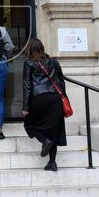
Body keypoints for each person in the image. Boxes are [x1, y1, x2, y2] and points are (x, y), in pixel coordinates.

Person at [20, 38, 67, 171]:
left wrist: (25, 107)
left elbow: (27, 85)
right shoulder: (54, 61)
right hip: (55, 98)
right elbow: (62, 82)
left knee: (28, 124)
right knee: (54, 131)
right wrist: (64, 99)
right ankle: (52, 162)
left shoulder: (29, 63)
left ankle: (44, 140)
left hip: (39, 98)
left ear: (29, 49)